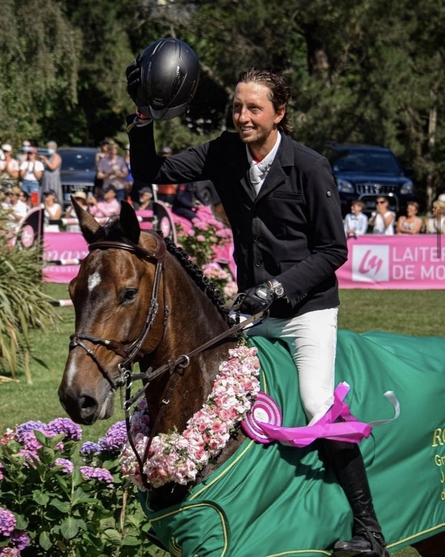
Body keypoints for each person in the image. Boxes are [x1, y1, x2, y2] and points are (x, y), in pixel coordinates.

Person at [126, 65, 388, 556]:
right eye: (238, 106)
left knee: (315, 405)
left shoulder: (309, 166)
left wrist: (275, 290)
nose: (242, 116)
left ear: (279, 114)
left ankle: (370, 531)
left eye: (254, 108)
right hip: (250, 312)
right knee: (211, 395)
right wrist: (144, 117)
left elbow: (333, 250)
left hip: (306, 312)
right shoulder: (224, 151)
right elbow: (150, 173)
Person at [39, 141, 63, 205]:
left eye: (49, 148)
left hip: (53, 181)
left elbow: (52, 167)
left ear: (53, 148)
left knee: (53, 195)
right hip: (46, 180)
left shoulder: (57, 157)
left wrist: (46, 160)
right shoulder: (48, 157)